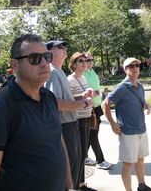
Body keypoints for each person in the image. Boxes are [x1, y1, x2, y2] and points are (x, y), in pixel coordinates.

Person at [0, 34, 73, 191]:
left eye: (47, 56)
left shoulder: (49, 98)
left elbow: (59, 142)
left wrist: (69, 186)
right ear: (15, 65)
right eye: (34, 58)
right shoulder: (0, 107)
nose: (45, 63)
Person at [101, 57, 151, 191]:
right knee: (127, 164)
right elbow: (105, 105)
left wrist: (147, 104)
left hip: (141, 129)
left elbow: (141, 102)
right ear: (125, 70)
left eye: (137, 65)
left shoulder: (140, 86)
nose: (135, 68)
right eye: (131, 66)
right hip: (127, 131)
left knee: (140, 160)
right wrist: (112, 124)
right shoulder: (121, 87)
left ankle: (142, 186)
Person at [45, 40, 90, 191]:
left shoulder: (58, 71)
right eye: (59, 47)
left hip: (70, 125)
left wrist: (81, 97)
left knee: (75, 164)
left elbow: (65, 99)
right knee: (70, 168)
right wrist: (83, 104)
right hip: (64, 127)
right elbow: (56, 103)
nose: (64, 49)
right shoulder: (52, 72)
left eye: (64, 46)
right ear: (49, 52)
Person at [67, 52, 97, 191]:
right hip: (77, 119)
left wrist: (92, 93)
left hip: (86, 117)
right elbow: (69, 100)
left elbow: (85, 96)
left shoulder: (84, 78)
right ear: (73, 64)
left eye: (85, 61)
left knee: (84, 153)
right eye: (81, 61)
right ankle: (76, 185)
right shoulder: (70, 80)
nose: (84, 63)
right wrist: (83, 98)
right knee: (78, 154)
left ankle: (81, 184)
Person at [83, 52, 113, 170]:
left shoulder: (92, 72)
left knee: (92, 134)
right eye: (87, 60)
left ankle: (83, 156)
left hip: (97, 107)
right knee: (93, 135)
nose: (90, 62)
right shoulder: (82, 74)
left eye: (91, 60)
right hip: (88, 109)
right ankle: (100, 160)